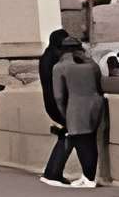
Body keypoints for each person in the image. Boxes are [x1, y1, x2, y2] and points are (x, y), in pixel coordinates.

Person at [42, 40, 105, 187]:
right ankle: (89, 177)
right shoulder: (91, 65)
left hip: (76, 107)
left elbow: (58, 96)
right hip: (96, 105)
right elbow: (98, 83)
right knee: (90, 140)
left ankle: (88, 179)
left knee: (81, 142)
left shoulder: (60, 67)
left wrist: (65, 114)